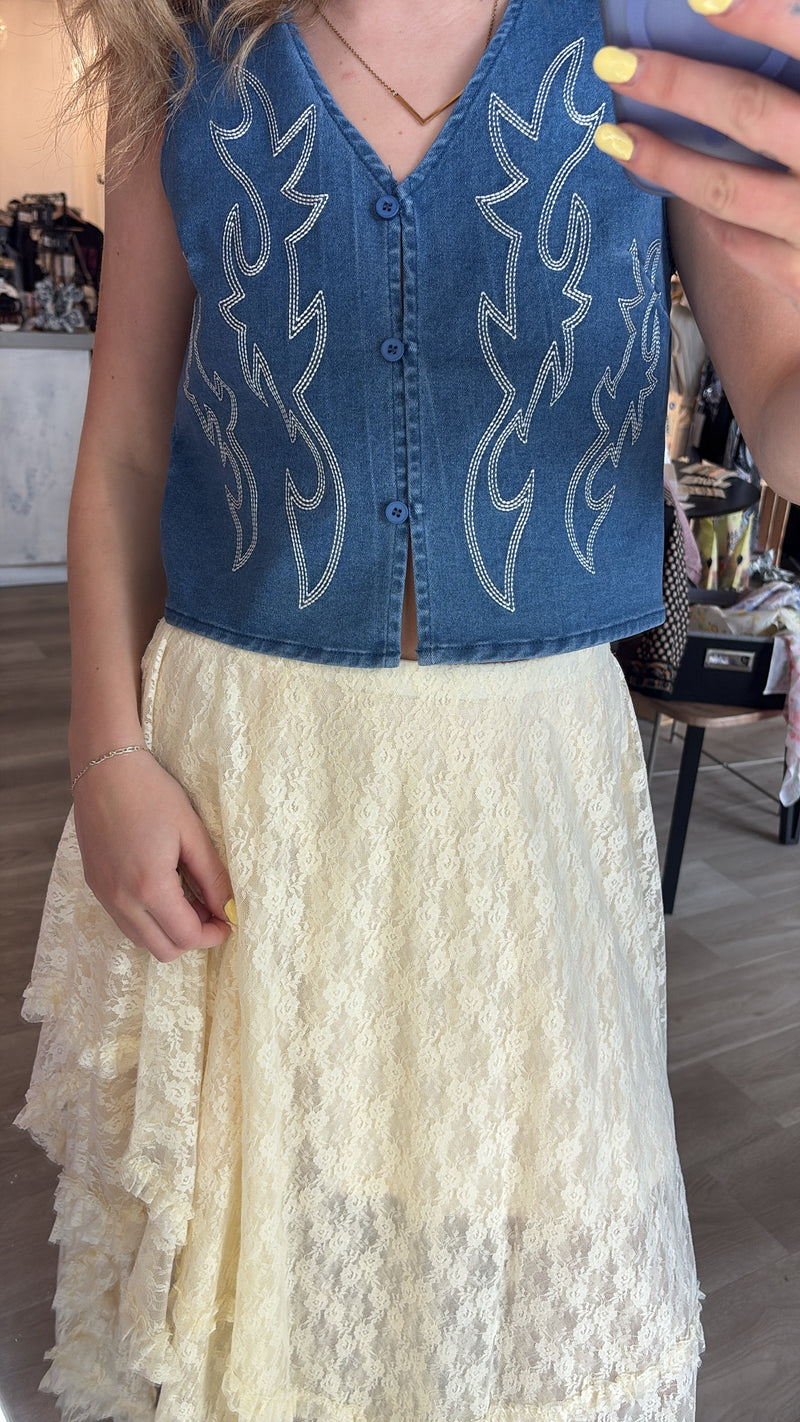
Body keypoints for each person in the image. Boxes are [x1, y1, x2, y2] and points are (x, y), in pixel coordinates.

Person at [14, 0, 800, 1419]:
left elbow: (784, 401)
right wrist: (104, 751)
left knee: (533, 1235)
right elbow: (125, 444)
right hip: (242, 768)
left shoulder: (648, 36)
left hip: (529, 779)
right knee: (270, 1260)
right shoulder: (176, 51)